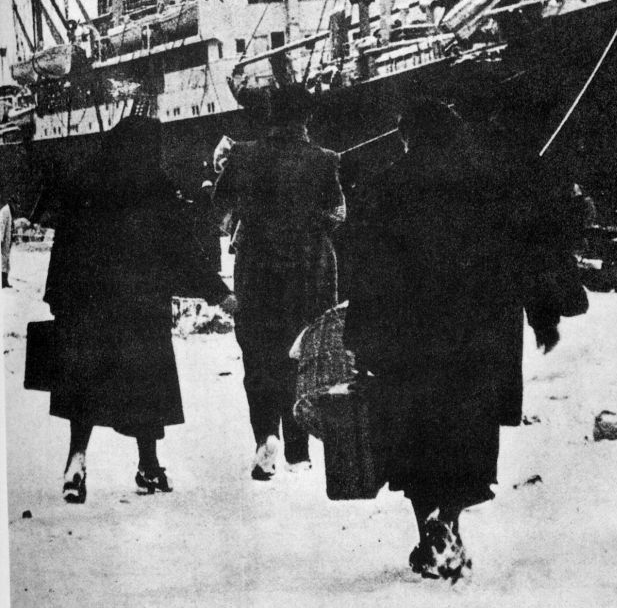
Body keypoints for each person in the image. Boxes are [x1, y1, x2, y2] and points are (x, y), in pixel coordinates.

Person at [344, 98, 587, 581]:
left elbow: (363, 268)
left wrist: (360, 336)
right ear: (455, 132)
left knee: (417, 435)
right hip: (480, 336)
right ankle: (449, 517)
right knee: (469, 432)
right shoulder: (491, 181)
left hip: (410, 339)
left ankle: (429, 528)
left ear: (408, 137)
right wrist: (544, 316)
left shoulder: (383, 185)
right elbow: (527, 249)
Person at [43, 116, 234, 504]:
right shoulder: (154, 186)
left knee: (86, 384)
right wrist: (219, 293)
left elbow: (64, 247)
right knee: (147, 387)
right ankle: (148, 466)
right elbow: (182, 250)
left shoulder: (85, 181)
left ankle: (76, 462)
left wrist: (59, 299)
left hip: (89, 305)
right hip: (141, 307)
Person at [213, 83, 345, 479]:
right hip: (308, 275)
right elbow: (338, 214)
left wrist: (239, 215)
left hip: (256, 273)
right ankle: (298, 449)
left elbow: (220, 206)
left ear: (270, 114)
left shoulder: (242, 154)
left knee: (258, 357)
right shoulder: (325, 159)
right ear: (307, 116)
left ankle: (265, 438)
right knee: (301, 354)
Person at [1, 191, 13, 289]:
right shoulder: (5, 211)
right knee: (3, 261)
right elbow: (1, 225)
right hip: (3, 240)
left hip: (7, 240)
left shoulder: (9, 211)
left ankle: (5, 281)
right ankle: (3, 282)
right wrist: (1, 239)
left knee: (6, 260)